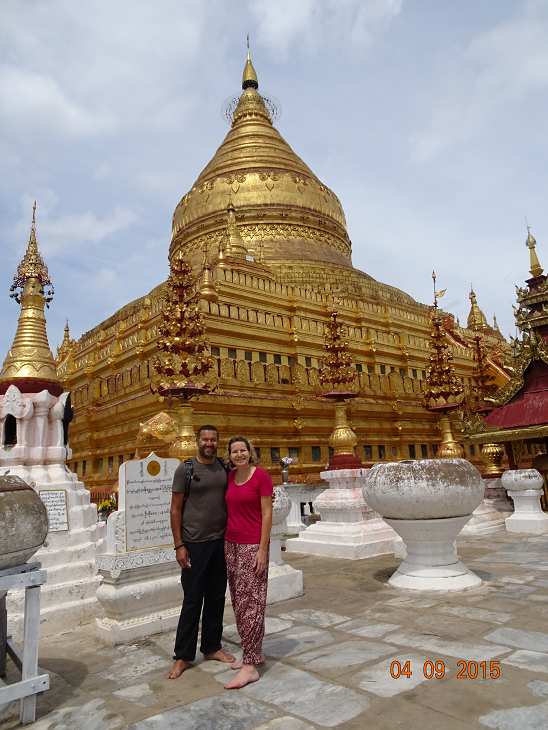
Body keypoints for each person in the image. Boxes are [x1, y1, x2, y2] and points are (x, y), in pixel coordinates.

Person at [165, 425, 235, 679]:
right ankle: (183, 656)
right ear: (197, 441)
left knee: (216, 597)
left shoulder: (223, 468)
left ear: (218, 442)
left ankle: (211, 647)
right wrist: (179, 545)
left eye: (213, 439)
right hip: (194, 544)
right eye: (205, 439)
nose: (209, 443)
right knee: (193, 599)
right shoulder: (186, 469)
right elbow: (175, 509)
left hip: (220, 541)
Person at [223, 435, 273, 690]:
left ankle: (250, 666)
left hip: (253, 546)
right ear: (230, 456)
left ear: (250, 452)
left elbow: (267, 513)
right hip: (231, 543)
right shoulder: (230, 477)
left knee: (252, 603)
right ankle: (255, 651)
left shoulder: (261, 476)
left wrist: (262, 550)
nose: (239, 455)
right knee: (239, 601)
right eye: (234, 451)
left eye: (243, 450)